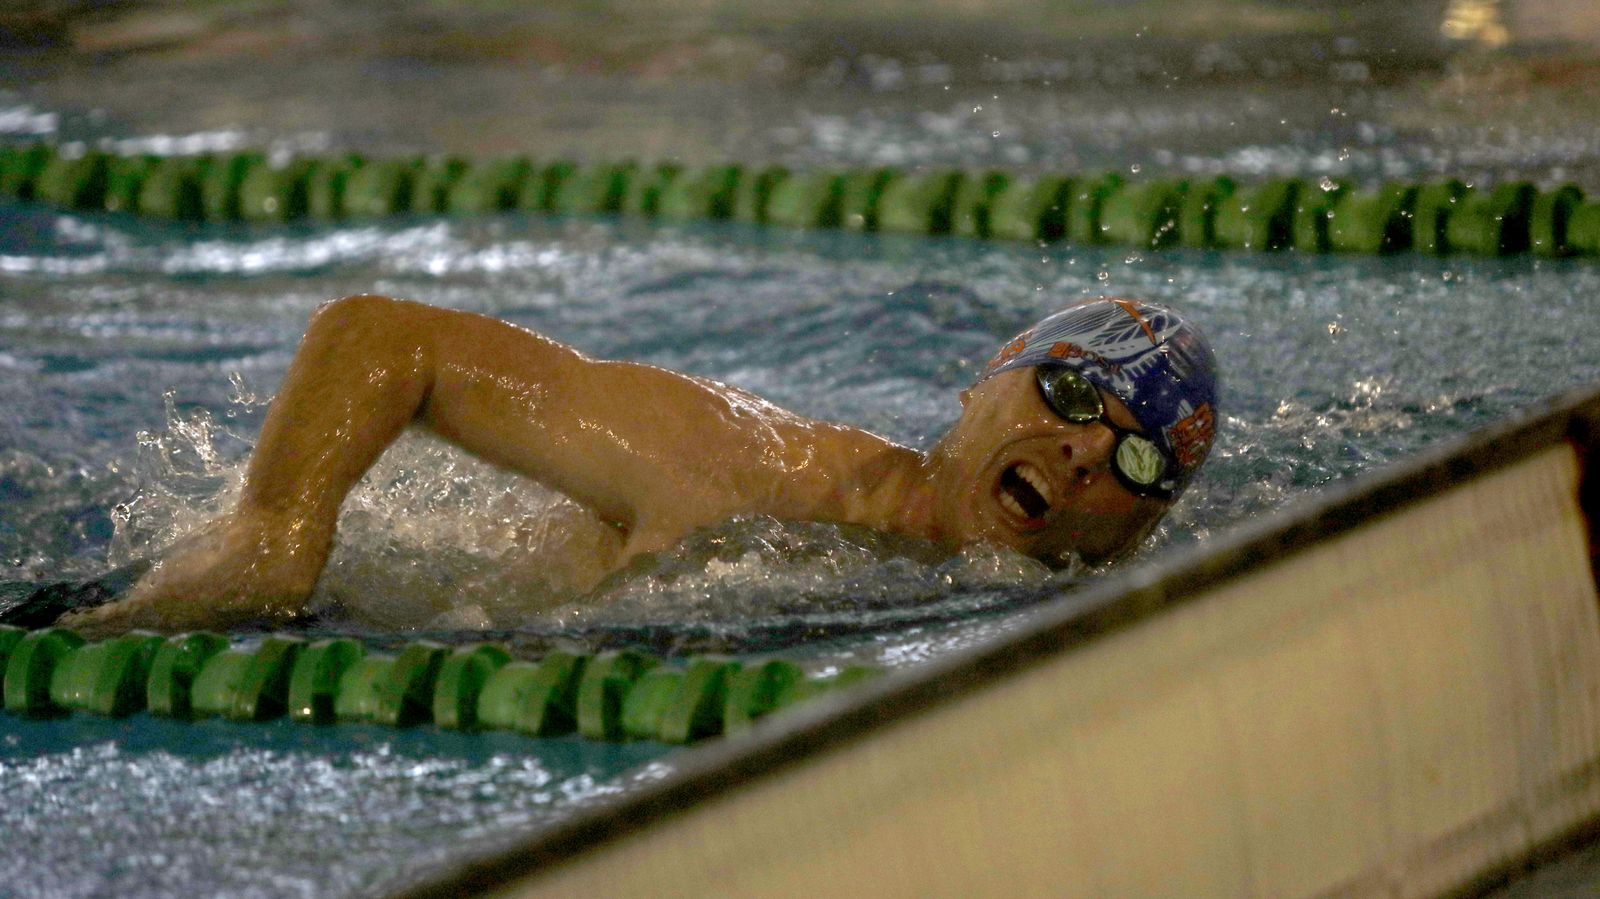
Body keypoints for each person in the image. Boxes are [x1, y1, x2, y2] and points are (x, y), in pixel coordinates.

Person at [60, 293, 1218, 636]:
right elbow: (380, 337)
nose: (1078, 450)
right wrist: (274, 528)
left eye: (1130, 454)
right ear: (985, 380)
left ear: (1134, 531)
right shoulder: (743, 465)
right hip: (311, 628)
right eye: (1070, 394)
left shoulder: (1038, 604)